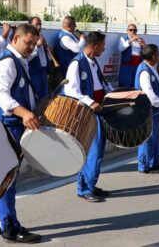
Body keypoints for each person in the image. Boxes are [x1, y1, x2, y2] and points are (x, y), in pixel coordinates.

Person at [0, 24, 42, 243]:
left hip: (6, 124)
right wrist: (24, 112)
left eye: (34, 44)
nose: (31, 47)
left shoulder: (17, 59)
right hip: (6, 125)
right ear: (15, 38)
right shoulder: (8, 62)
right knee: (7, 178)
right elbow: (1, 95)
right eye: (28, 42)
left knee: (0, 177)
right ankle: (10, 227)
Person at [64, 31, 113, 202]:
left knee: (98, 151)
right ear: (95, 46)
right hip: (87, 112)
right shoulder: (77, 63)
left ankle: (91, 184)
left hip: (99, 111)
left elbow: (103, 85)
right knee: (92, 151)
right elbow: (70, 90)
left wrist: (116, 95)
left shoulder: (94, 62)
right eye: (103, 45)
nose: (104, 48)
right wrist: (90, 102)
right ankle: (84, 189)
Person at [134, 44, 159, 173]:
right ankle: (145, 165)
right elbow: (150, 96)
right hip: (147, 109)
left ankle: (154, 162)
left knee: (154, 137)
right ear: (154, 56)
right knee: (147, 138)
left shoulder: (151, 68)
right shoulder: (144, 71)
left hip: (154, 109)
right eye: (158, 53)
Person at [27, 17, 50, 100]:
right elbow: (27, 57)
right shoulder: (28, 38)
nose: (39, 27)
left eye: (40, 24)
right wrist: (37, 46)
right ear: (30, 25)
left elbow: (44, 56)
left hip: (43, 71)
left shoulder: (41, 36)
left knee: (44, 97)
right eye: (36, 24)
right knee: (34, 97)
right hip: (34, 73)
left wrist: (48, 51)